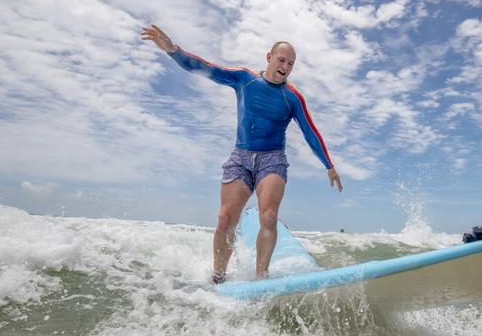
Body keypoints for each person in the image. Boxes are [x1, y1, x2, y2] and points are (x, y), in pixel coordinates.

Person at [141, 25, 343, 284]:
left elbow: (310, 132)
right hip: (241, 156)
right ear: (268, 57)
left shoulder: (293, 98)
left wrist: (329, 164)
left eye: (291, 64)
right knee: (226, 218)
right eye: (281, 60)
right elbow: (205, 68)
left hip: (272, 158)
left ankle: (261, 279)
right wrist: (173, 50)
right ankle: (218, 276)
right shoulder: (243, 79)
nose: (285, 66)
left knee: (268, 215)